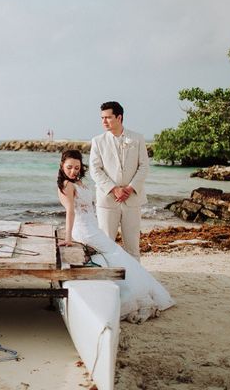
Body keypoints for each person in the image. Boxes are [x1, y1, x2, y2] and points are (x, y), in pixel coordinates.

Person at [57, 150, 174, 322]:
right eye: (69, 167)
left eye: (76, 167)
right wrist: (68, 238)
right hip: (84, 230)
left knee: (114, 254)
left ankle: (128, 291)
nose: (73, 171)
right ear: (61, 166)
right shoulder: (67, 185)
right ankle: (131, 294)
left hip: (92, 227)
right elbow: (70, 213)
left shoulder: (79, 182)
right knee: (115, 253)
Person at [89, 101, 149, 260]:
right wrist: (114, 189)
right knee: (106, 245)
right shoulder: (97, 141)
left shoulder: (137, 138)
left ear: (119, 117)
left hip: (132, 199)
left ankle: (136, 282)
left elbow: (144, 166)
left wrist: (130, 188)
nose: (104, 121)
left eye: (108, 117)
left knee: (133, 246)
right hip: (107, 199)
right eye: (102, 118)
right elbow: (95, 170)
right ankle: (108, 280)